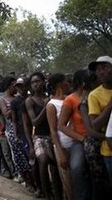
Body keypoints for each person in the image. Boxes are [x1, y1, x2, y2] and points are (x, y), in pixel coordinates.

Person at [25, 72, 61, 200]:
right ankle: (46, 194)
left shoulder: (50, 98)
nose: (35, 84)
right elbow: (34, 122)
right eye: (33, 82)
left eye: (38, 81)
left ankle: (57, 193)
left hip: (52, 135)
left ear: (43, 82)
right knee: (43, 160)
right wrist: (46, 107)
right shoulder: (30, 101)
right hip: (39, 136)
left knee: (56, 167)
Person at [58, 69, 91, 200]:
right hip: (80, 140)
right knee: (76, 168)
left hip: (99, 138)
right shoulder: (70, 99)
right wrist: (82, 139)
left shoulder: (94, 95)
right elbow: (61, 125)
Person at [46, 73, 74, 200]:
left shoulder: (70, 99)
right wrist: (60, 152)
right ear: (59, 84)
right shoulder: (51, 105)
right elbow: (53, 130)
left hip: (76, 144)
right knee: (68, 182)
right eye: (66, 82)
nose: (68, 84)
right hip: (63, 145)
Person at [88, 56, 112, 183]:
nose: (100, 72)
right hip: (109, 150)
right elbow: (95, 126)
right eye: (97, 70)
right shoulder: (94, 95)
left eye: (104, 68)